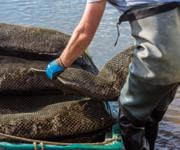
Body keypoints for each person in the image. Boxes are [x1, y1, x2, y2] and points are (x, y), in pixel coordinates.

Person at [46, 0, 180, 150]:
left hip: (159, 58)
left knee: (129, 115)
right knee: (150, 114)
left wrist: (61, 63)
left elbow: (84, 32)